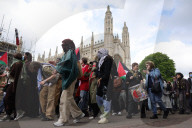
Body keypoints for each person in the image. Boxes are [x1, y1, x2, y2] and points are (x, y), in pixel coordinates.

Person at [53, 39, 84, 127]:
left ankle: (63, 120)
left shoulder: (70, 52)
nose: (62, 47)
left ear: (69, 46)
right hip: (68, 77)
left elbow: (66, 64)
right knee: (68, 97)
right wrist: (57, 66)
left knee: (64, 99)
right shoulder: (67, 53)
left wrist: (57, 69)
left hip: (70, 78)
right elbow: (62, 63)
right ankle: (78, 114)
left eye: (64, 46)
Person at [15, 52, 39, 120]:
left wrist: (34, 84)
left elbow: (33, 74)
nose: (23, 56)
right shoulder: (26, 63)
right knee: (29, 98)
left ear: (27, 56)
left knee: (31, 98)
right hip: (28, 84)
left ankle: (32, 113)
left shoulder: (29, 64)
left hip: (30, 84)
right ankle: (29, 112)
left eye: (25, 55)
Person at [96, 48, 117, 124]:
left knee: (106, 99)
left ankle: (106, 117)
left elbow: (107, 72)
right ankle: (104, 113)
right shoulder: (100, 60)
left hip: (107, 81)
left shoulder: (108, 59)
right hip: (100, 81)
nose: (98, 54)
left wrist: (102, 77)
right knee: (98, 97)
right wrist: (98, 76)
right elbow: (97, 71)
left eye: (99, 52)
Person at [0, 53, 23, 121]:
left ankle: (10, 114)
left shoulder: (17, 64)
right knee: (9, 99)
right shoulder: (19, 63)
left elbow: (14, 75)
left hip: (14, 84)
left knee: (7, 98)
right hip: (14, 84)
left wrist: (8, 74)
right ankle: (11, 114)